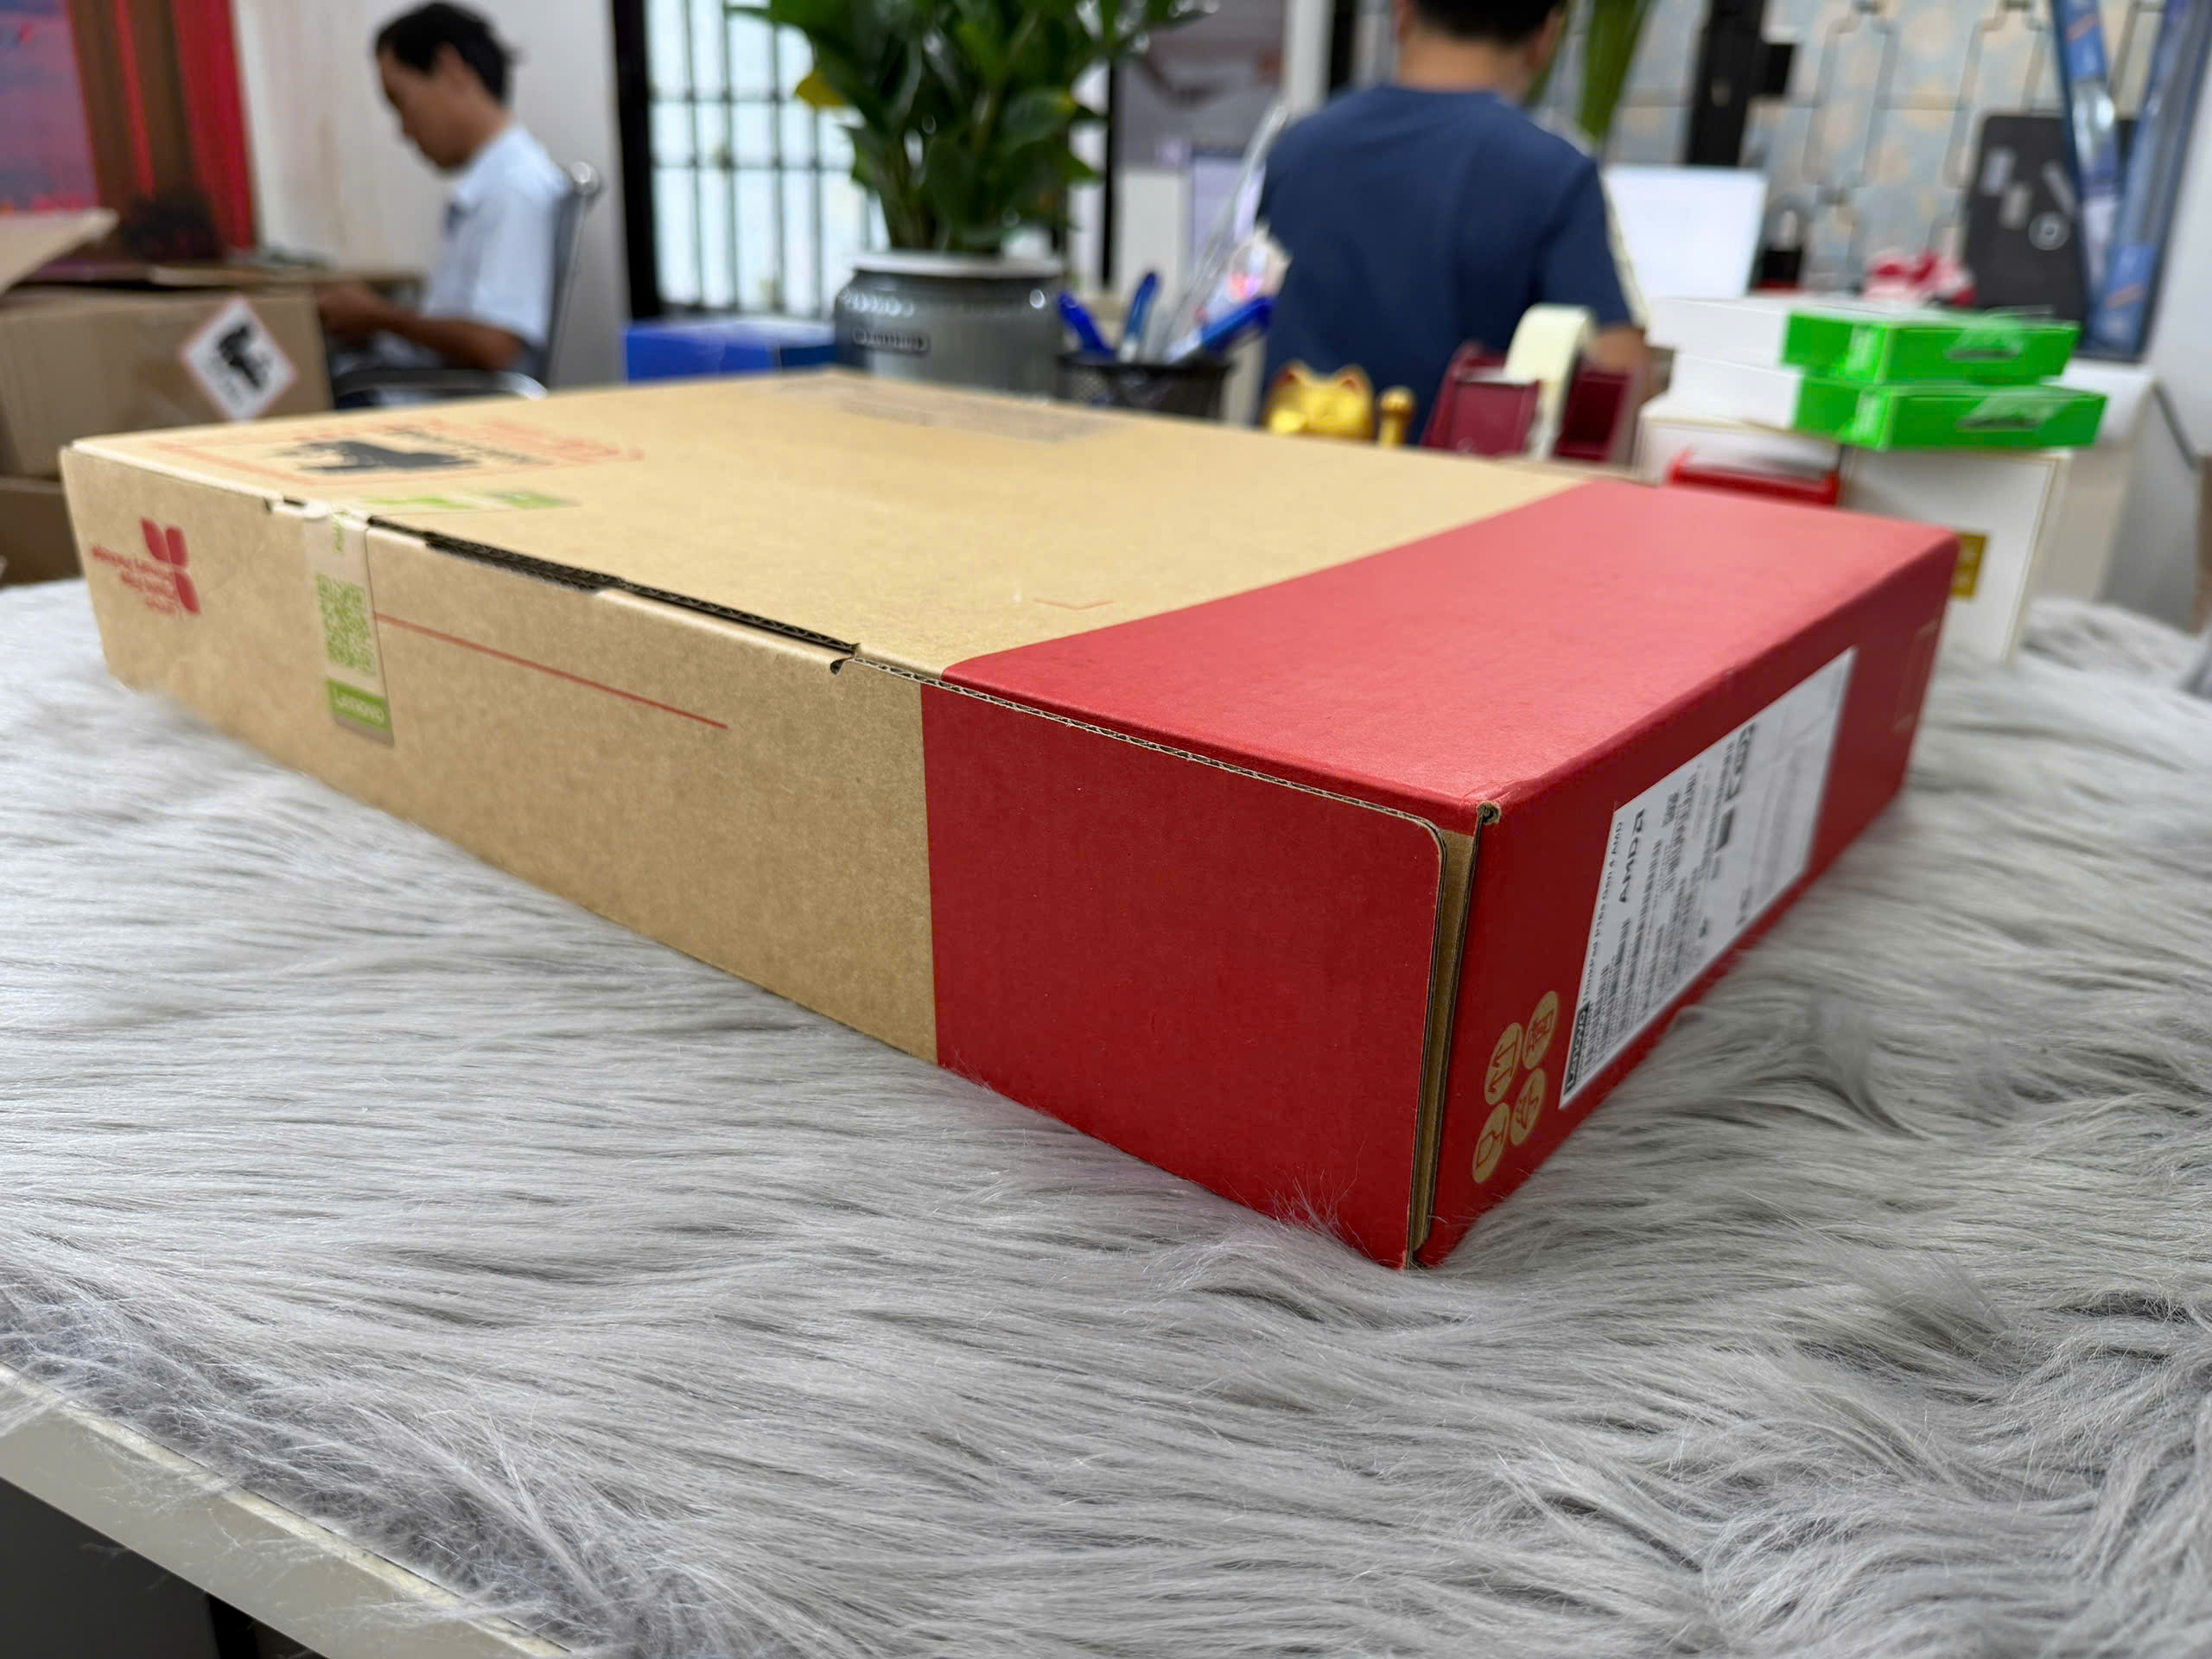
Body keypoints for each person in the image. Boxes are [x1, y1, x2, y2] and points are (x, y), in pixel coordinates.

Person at [1259, 0, 1646, 435]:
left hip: (1281, 464)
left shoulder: (1299, 146)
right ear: (1547, 37)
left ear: (1402, 11)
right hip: (1454, 473)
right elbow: (1616, 380)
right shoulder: (1553, 172)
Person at [317, 3, 568, 381]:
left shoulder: (514, 188)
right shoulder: (494, 185)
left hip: (439, 402)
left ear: (450, 69)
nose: (403, 130)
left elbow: (495, 345)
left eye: (399, 101)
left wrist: (379, 316)